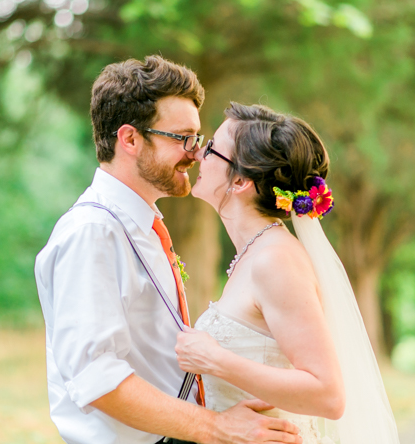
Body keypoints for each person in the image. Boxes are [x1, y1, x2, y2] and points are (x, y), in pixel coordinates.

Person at [34, 57, 301, 444]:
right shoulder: (92, 233)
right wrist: (216, 428)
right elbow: (96, 377)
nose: (195, 154)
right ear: (129, 139)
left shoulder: (139, 226)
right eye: (182, 138)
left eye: (196, 139)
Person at [176, 103, 400, 444]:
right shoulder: (254, 254)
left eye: (210, 149)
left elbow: (328, 395)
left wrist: (216, 359)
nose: (196, 156)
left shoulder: (275, 260)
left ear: (239, 181)